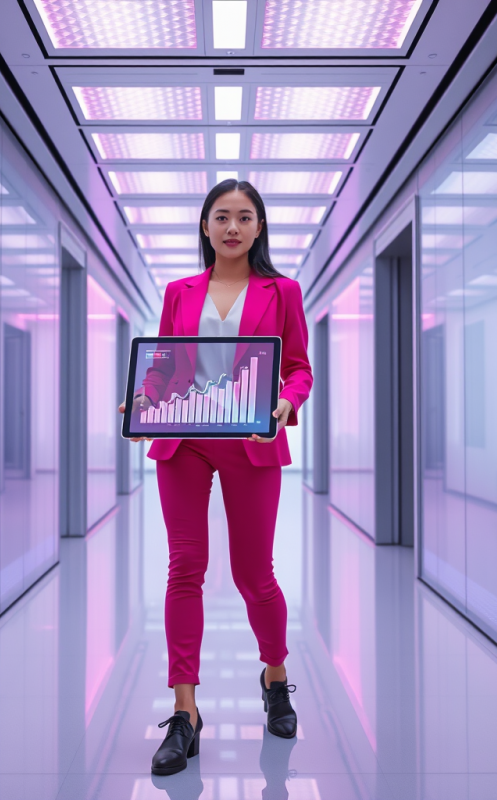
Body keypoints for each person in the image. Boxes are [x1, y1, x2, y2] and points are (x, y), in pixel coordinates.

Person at [118, 179, 313, 776]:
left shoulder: (283, 291)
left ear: (260, 227)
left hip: (251, 441)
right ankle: (185, 713)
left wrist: (285, 403)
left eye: (245, 217)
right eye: (221, 217)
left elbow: (299, 367)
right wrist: (143, 401)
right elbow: (168, 367)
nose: (232, 227)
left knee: (254, 575)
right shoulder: (179, 291)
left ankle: (275, 675)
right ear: (205, 226)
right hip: (187, 442)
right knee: (184, 569)